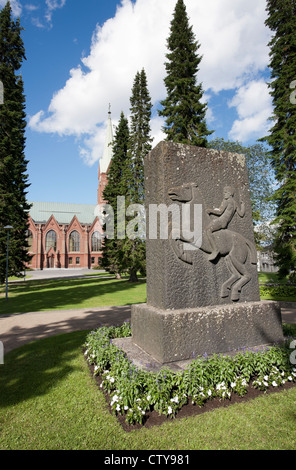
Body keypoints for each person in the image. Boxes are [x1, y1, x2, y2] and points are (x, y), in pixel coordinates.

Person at [206, 186, 245, 261]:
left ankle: (215, 250)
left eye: (225, 192)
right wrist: (243, 205)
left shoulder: (226, 201)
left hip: (221, 221)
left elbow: (220, 212)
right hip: (225, 222)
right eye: (224, 192)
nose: (224, 194)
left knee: (208, 230)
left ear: (230, 194)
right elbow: (241, 214)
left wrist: (210, 210)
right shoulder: (235, 203)